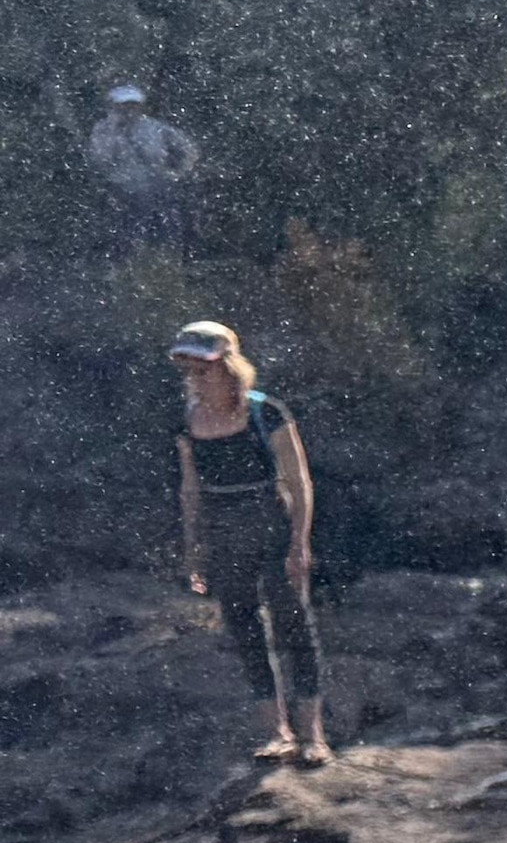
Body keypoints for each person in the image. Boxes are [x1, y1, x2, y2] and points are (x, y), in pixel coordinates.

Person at [171, 321, 329, 768]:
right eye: (189, 369)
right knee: (244, 628)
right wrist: (193, 549)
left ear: (228, 365)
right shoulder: (187, 421)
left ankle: (313, 735)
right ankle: (277, 732)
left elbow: (299, 481)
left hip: (271, 522)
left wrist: (299, 544)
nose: (196, 377)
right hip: (223, 530)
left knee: (294, 624)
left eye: (203, 367)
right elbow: (190, 489)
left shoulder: (266, 412)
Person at [88, 84, 198, 270]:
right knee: (128, 235)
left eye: (133, 105)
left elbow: (188, 149)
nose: (129, 110)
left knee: (168, 231)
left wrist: (179, 173)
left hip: (159, 189)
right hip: (123, 193)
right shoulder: (102, 130)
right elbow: (99, 159)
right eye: (123, 105)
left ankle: (167, 266)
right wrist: (115, 133)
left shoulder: (155, 128)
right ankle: (125, 268)